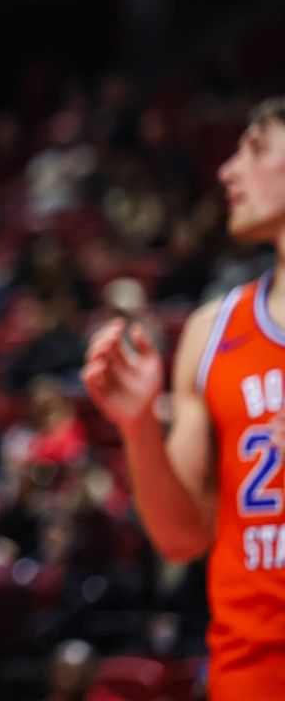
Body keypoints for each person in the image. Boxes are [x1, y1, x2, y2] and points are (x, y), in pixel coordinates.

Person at [82, 96, 285, 700]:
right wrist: (139, 422)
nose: (226, 171)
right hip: (248, 677)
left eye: (255, 148)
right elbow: (181, 538)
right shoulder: (212, 330)